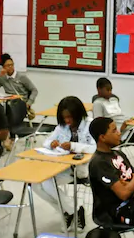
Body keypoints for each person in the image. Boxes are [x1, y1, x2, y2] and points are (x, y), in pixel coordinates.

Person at [34, 96, 94, 230]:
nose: (67, 121)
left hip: (82, 168)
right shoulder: (62, 126)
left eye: (70, 117)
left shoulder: (90, 125)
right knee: (35, 184)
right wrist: (52, 143)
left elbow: (95, 148)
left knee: (47, 182)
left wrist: (73, 146)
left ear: (78, 115)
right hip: (63, 166)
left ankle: (71, 212)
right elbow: (46, 141)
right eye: (64, 118)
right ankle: (72, 211)